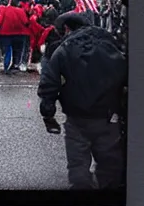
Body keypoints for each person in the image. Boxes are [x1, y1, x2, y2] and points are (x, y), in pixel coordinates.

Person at [37, 12, 127, 190]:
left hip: (77, 115)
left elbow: (49, 82)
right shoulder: (111, 43)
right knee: (110, 165)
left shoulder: (65, 49)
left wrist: (48, 113)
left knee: (78, 166)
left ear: (67, 28)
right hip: (108, 115)